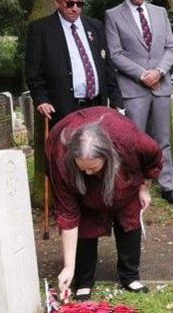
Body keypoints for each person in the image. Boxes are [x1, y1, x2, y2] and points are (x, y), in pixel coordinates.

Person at [47, 107, 162, 300]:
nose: (88, 173)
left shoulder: (130, 140)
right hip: (81, 190)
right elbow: (68, 215)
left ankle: (130, 276)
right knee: (86, 223)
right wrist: (68, 267)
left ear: (107, 156)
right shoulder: (60, 156)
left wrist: (144, 186)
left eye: (92, 168)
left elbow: (153, 157)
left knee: (128, 219)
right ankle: (83, 281)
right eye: (82, 168)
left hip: (123, 179)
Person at [105, 0, 173, 205]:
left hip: (160, 85)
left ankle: (168, 184)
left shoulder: (159, 13)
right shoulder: (113, 15)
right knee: (133, 141)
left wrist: (159, 72)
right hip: (133, 88)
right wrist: (142, 74)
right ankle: (133, 186)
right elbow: (115, 53)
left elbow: (171, 47)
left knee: (163, 138)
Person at [25, 0, 124, 124]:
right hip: (63, 107)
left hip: (97, 105)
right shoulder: (41, 30)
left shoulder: (95, 26)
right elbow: (33, 72)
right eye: (70, 4)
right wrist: (41, 100)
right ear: (57, 2)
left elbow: (106, 66)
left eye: (80, 4)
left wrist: (116, 99)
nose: (75, 9)